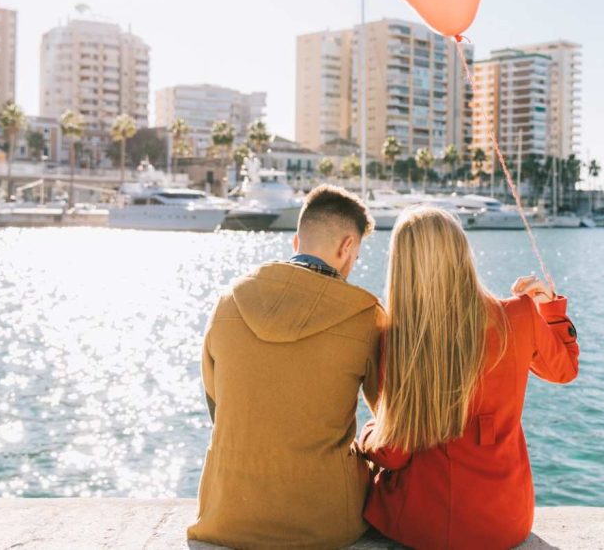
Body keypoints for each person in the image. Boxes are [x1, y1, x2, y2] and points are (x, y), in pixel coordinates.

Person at [359, 206, 580, 550]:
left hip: (424, 524)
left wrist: (368, 434)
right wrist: (549, 309)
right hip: (507, 521)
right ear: (463, 252)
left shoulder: (400, 336)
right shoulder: (520, 314)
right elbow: (564, 371)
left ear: (402, 266)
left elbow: (393, 453)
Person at [188, 184, 383, 549]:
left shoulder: (229, 301)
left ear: (296, 243)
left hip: (227, 512)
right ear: (346, 248)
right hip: (325, 521)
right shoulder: (366, 315)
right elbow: (387, 415)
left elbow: (217, 401)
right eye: (355, 255)